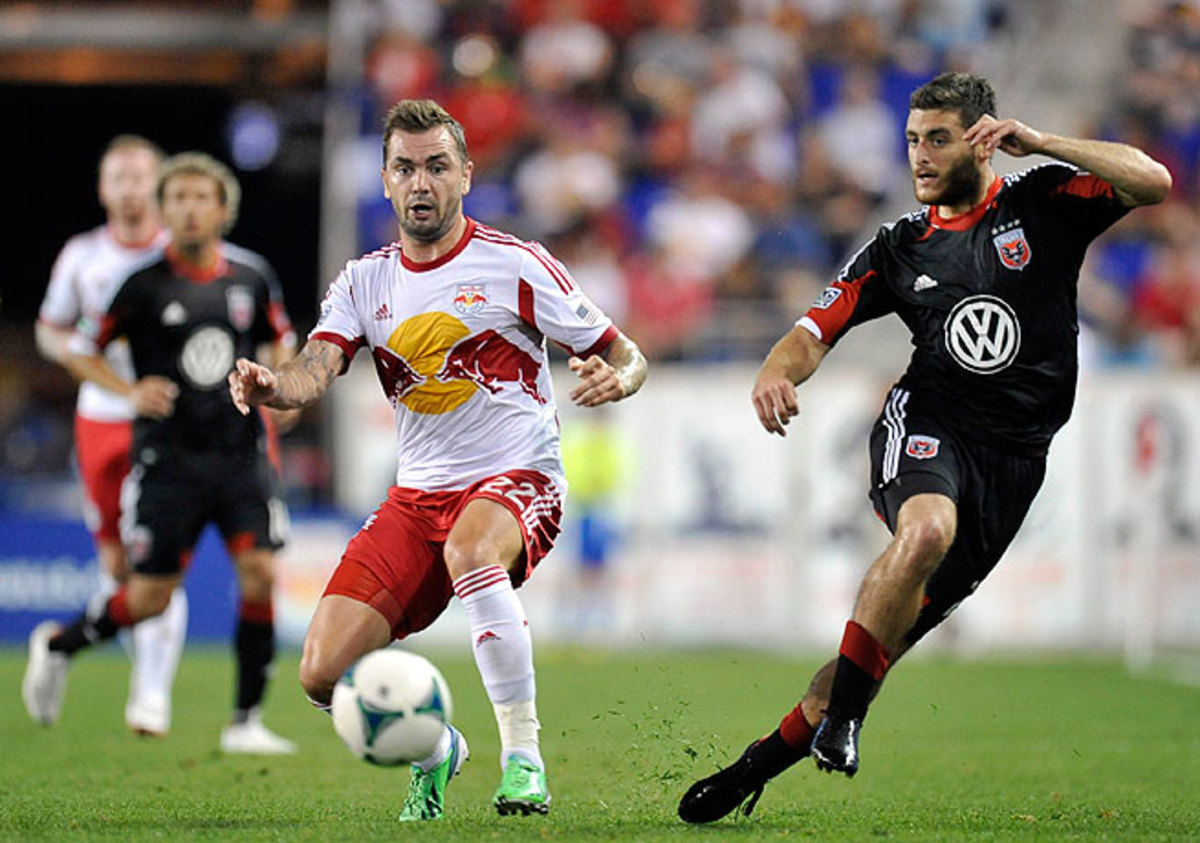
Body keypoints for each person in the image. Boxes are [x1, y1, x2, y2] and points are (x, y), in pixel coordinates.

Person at [677, 71, 1172, 824]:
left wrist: (1040, 141)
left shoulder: (1043, 203)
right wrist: (776, 369)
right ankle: (846, 722)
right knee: (926, 528)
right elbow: (815, 329)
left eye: (936, 138)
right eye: (912, 140)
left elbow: (1154, 181)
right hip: (930, 421)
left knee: (863, 661)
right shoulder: (899, 246)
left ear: (982, 137)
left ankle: (756, 764)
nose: (919, 155)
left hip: (1014, 465)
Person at [227, 99, 647, 821]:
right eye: (404, 167)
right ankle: (436, 748)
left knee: (472, 546)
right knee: (321, 673)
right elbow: (313, 372)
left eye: (436, 166)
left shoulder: (514, 264)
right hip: (417, 497)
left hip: (519, 478)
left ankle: (524, 760)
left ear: (465, 176)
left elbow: (624, 351)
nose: (421, 182)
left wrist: (622, 376)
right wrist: (274, 388)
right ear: (386, 182)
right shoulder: (364, 282)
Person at [22, 151, 299, 755]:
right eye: (178, 198)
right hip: (169, 461)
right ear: (164, 209)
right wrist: (127, 390)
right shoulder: (141, 285)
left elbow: (281, 336)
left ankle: (245, 722)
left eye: (202, 197)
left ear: (223, 209)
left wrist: (283, 384)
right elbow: (81, 349)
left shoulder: (250, 276)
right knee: (149, 597)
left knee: (261, 575)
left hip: (240, 455)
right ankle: (59, 646)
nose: (190, 208)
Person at [31, 135, 189, 737]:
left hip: (167, 422)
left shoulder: (182, 251)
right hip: (100, 416)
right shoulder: (82, 256)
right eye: (117, 178)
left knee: (160, 560)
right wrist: (87, 357)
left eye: (139, 177)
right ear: (102, 190)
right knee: (120, 567)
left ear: (159, 184)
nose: (129, 189)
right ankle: (61, 645)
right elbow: (51, 332)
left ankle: (151, 696)